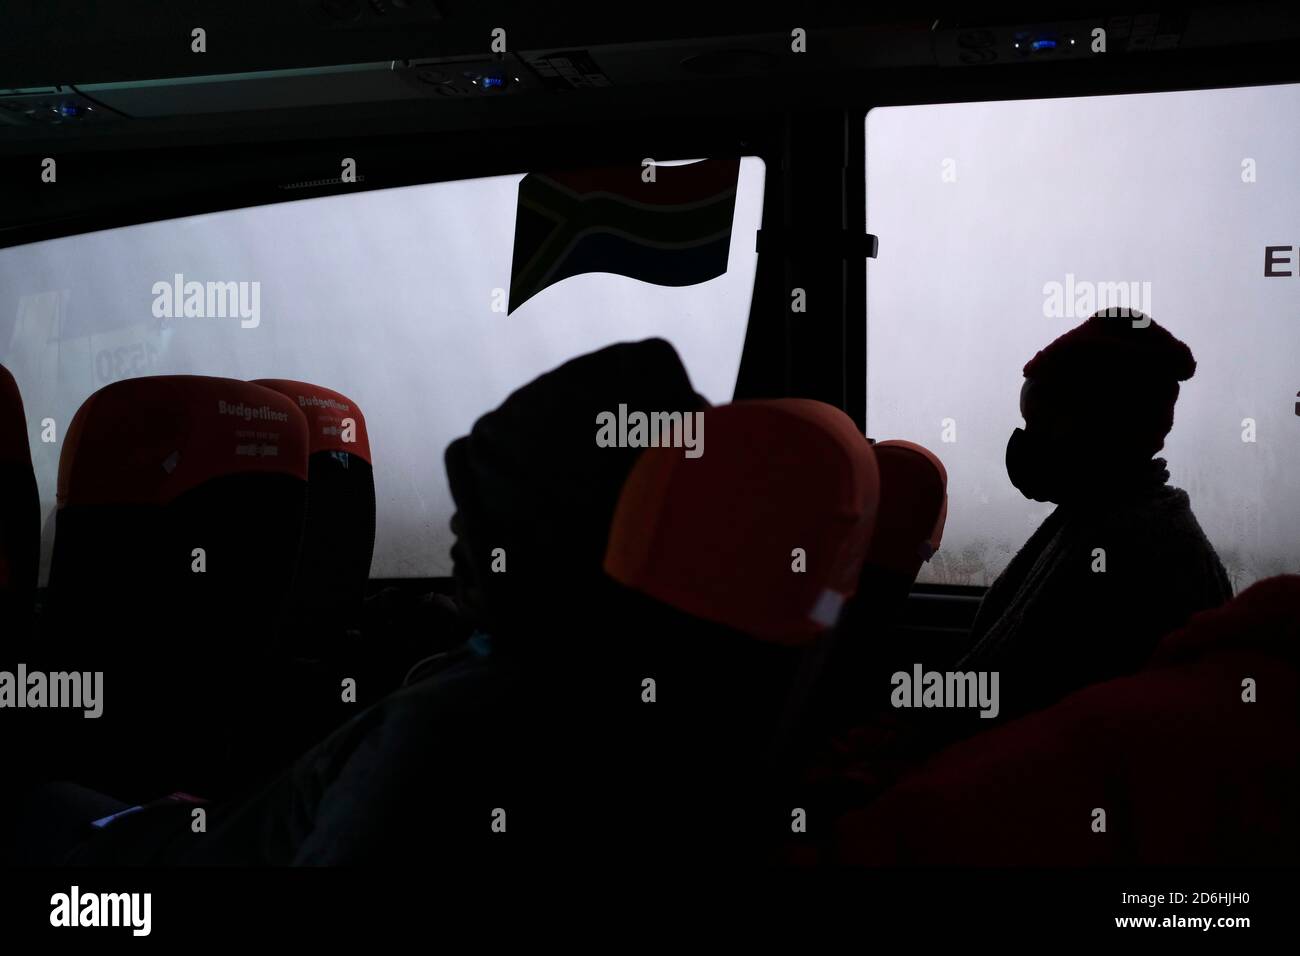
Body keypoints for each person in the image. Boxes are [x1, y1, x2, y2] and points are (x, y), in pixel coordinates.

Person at [957, 310, 1232, 721]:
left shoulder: (1145, 548)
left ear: (1105, 429)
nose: (1026, 444)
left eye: (1043, 426)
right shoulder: (1098, 511)